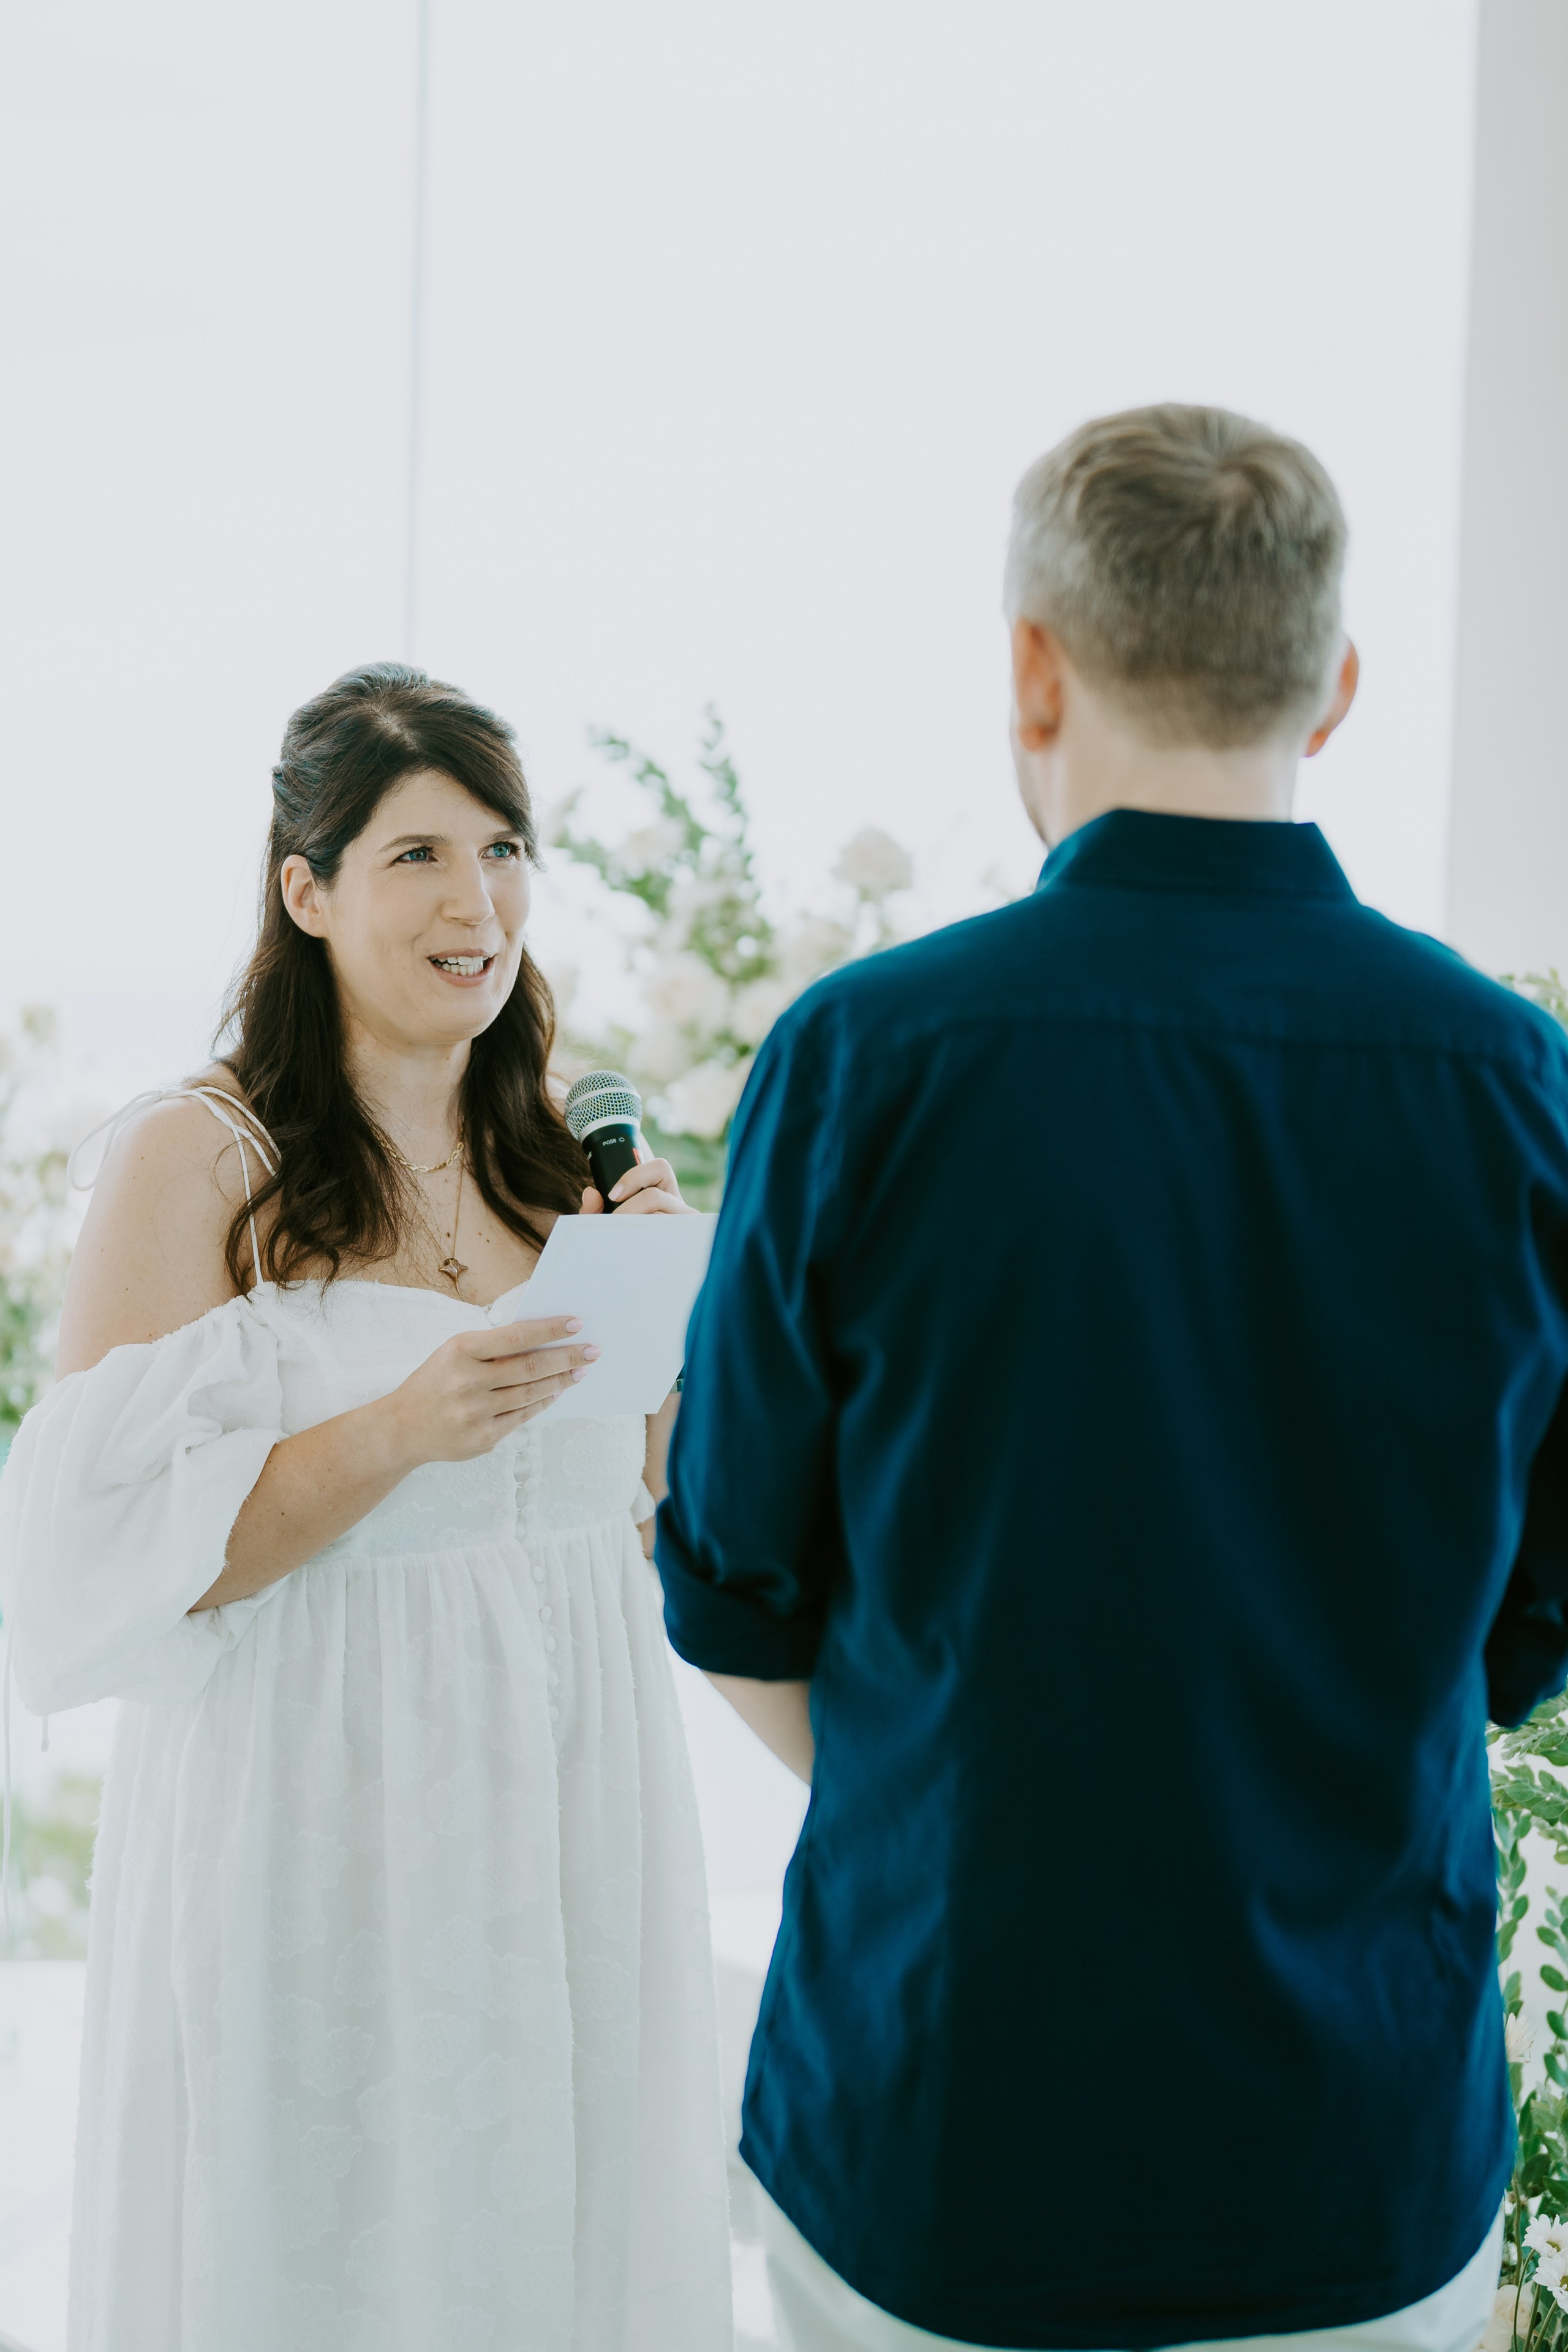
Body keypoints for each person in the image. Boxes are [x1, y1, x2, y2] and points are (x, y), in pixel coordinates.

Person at [655, 405, 1568, 2352]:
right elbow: (1537, 1613)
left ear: (1032, 666)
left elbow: (733, 1587)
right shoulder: (1516, 1089)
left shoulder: (862, 1062)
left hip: (942, 2123)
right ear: (1333, 685)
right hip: (1353, 2150)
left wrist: (979, 1783)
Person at [0, 665, 733, 2350]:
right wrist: (393, 1433)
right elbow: (88, 1568)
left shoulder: (559, 1156)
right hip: (321, 1801)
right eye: (417, 856)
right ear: (307, 889)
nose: (477, 901)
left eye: (503, 849)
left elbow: (629, 1512)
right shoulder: (200, 1157)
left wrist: (671, 1340)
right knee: (330, 2247)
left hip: (568, 1789)